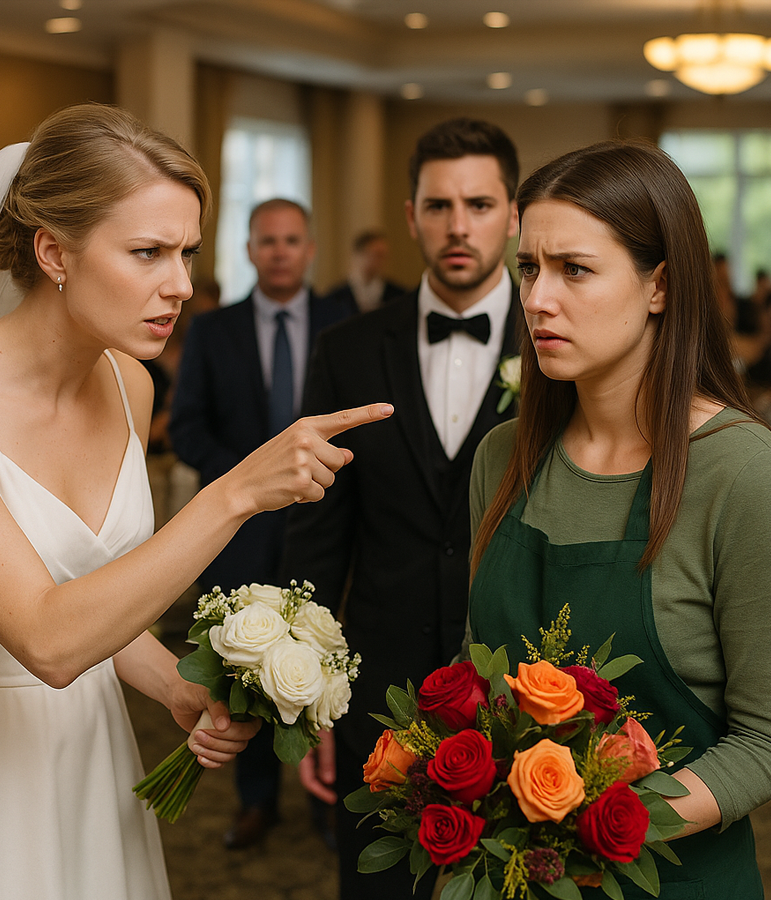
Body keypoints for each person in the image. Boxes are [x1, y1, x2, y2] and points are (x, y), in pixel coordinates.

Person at [0, 103, 392, 900]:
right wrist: (234, 494)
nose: (180, 285)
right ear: (54, 252)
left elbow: (98, 595)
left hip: (88, 753)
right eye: (148, 252)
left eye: (186, 253)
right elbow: (48, 638)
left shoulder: (129, 383)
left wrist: (174, 683)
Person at [463, 139, 771, 897]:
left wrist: (587, 830)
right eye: (528, 268)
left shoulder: (740, 471)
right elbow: (479, 681)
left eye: (574, 269)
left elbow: (763, 740)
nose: (538, 299)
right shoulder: (503, 458)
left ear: (659, 285)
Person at [284, 117, 521, 900]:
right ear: (411, 215)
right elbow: (317, 537)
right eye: (439, 205)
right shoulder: (346, 349)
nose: (459, 226)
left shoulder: (558, 345)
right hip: (378, 696)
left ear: (513, 215)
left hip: (527, 698)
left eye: (480, 205)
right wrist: (311, 697)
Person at [170, 198, 353, 848]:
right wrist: (249, 482)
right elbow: (186, 427)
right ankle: (256, 803)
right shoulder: (212, 330)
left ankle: (330, 803)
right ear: (250, 250)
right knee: (243, 667)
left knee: (324, 663)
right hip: (238, 530)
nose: (279, 251)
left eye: (291, 240)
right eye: (267, 241)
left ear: (310, 249)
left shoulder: (345, 325)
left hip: (327, 525)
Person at [323, 229, 406, 314]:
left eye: (383, 255)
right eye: (376, 254)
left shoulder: (398, 295)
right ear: (359, 254)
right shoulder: (335, 297)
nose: (381, 261)